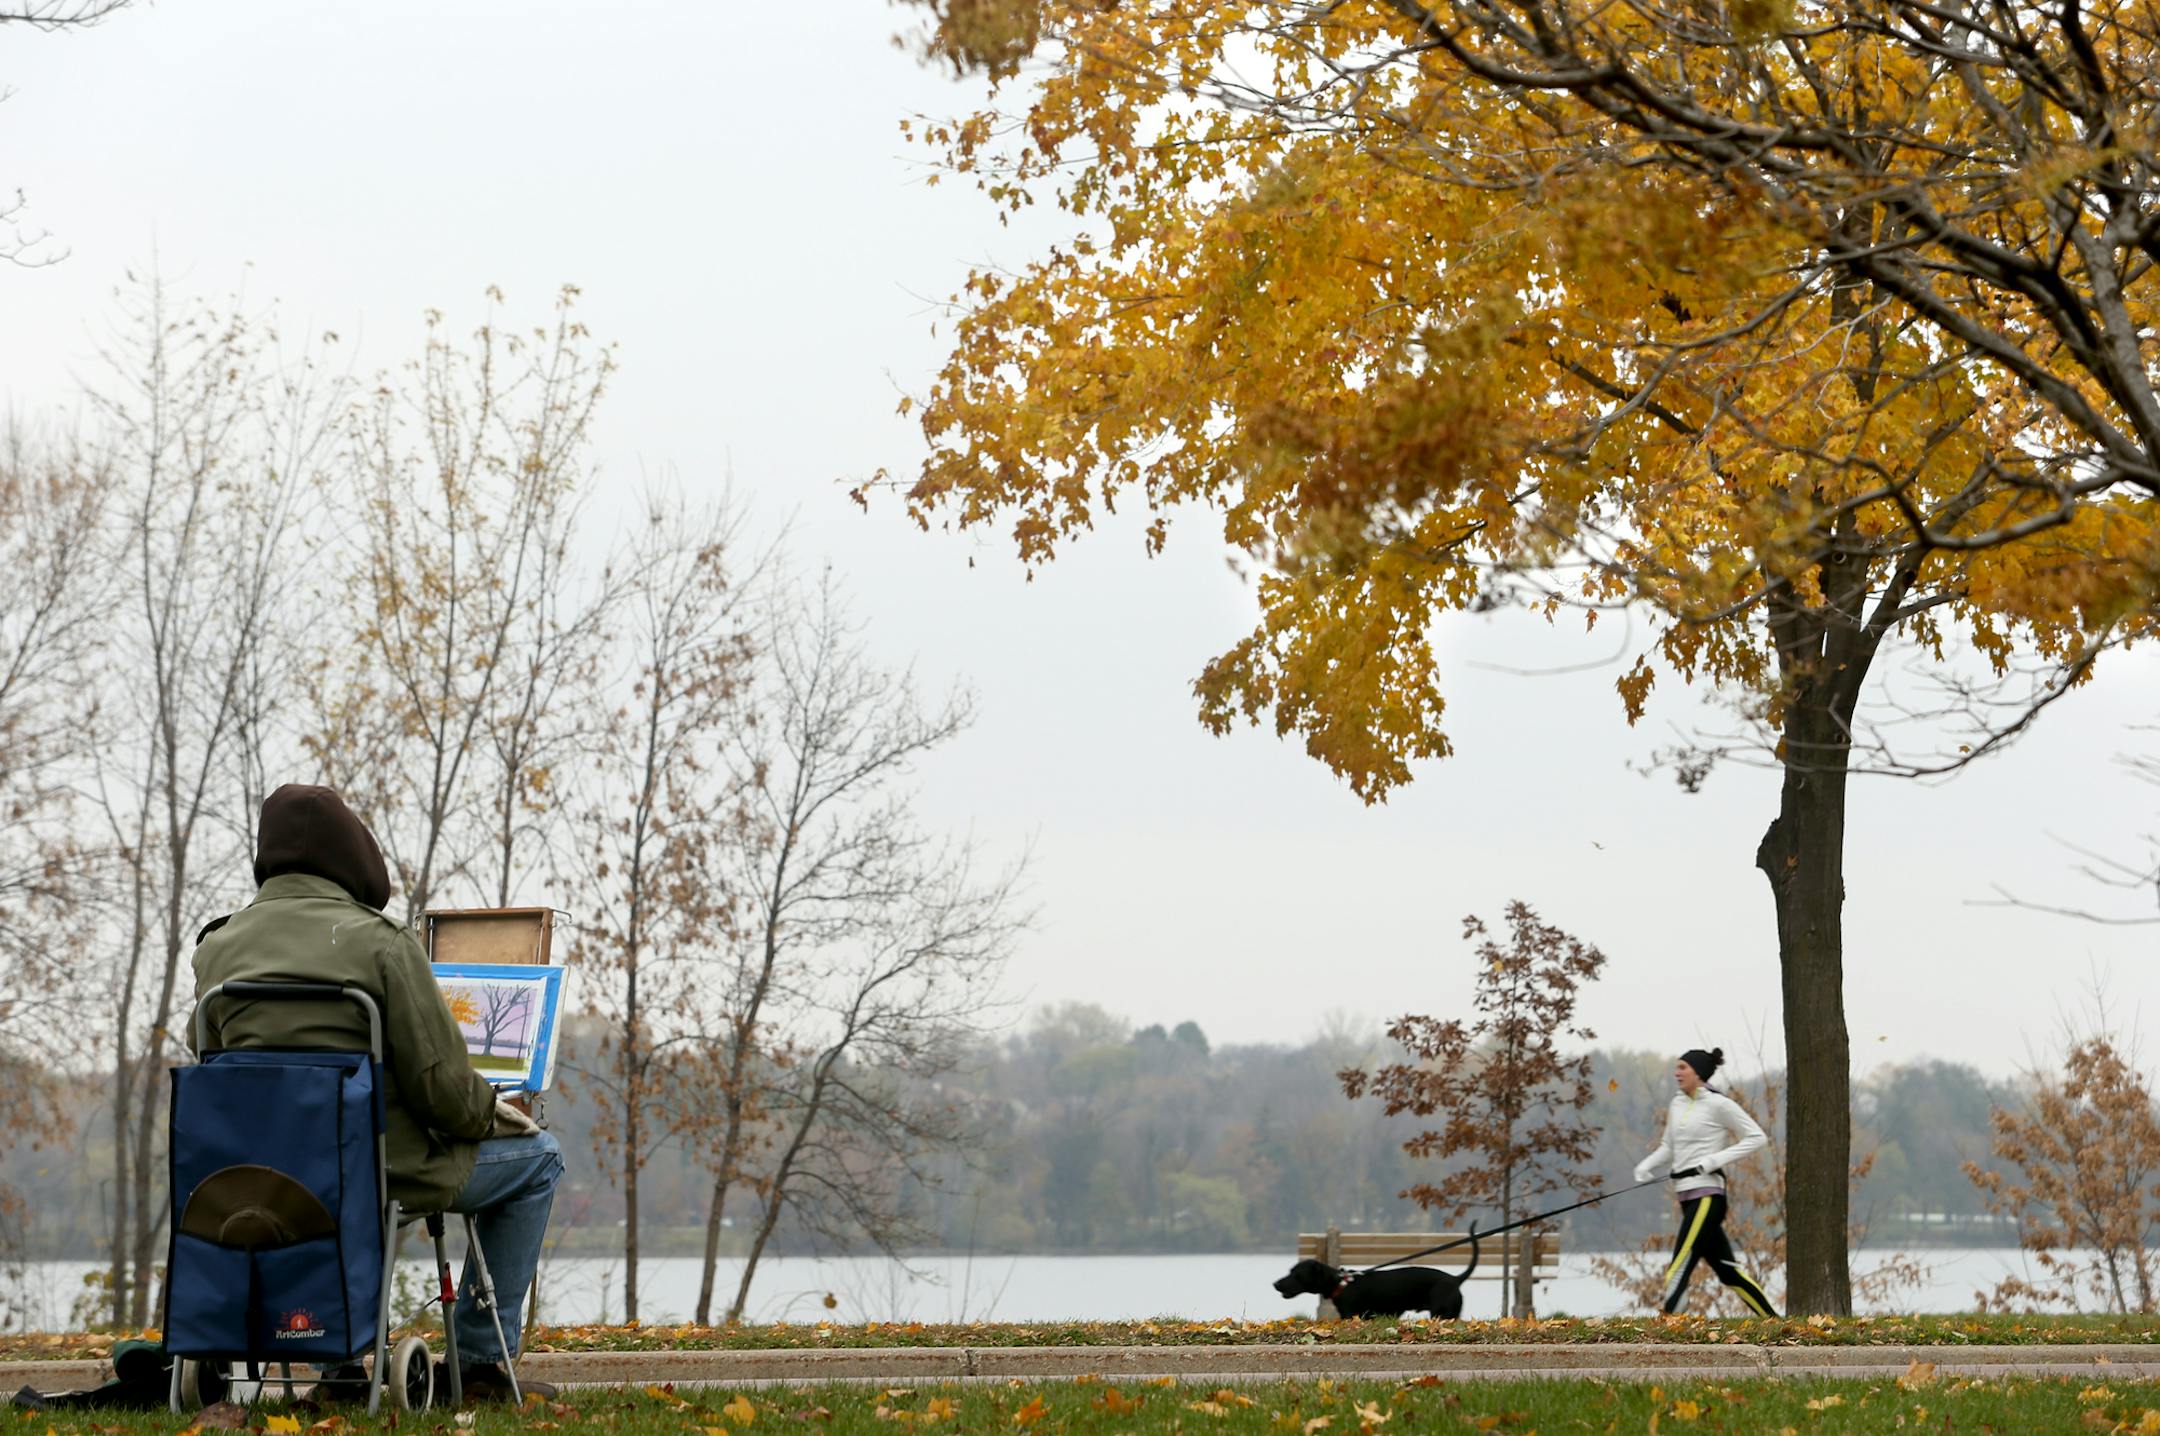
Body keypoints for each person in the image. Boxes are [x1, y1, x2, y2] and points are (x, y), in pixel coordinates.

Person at [191, 784, 562, 1401]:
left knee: (329, 1170)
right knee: (542, 1159)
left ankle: (339, 1367)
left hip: (262, 1179)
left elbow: (206, 1056)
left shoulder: (217, 950)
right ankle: (478, 1362)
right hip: (378, 1172)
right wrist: (490, 1113)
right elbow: (441, 1090)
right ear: (353, 859)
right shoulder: (383, 944)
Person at [1632, 1046, 1778, 1317]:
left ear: (1698, 1072)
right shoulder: (1677, 1103)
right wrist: (1646, 1165)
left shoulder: (1718, 1104)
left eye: (1682, 1067)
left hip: (1708, 1195)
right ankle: (1775, 1321)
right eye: (1677, 1067)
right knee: (1728, 1272)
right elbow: (1668, 1147)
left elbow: (1757, 1137)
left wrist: (1715, 1160)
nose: (1676, 1072)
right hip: (1686, 1196)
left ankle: (1672, 1327)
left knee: (1678, 1268)